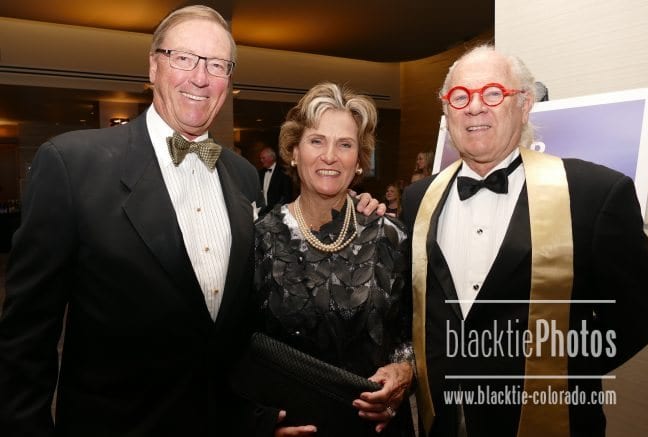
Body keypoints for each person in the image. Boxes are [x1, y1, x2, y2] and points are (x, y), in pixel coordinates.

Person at [0, 6, 382, 436]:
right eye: (183, 58)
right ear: (153, 66)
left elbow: (239, 328)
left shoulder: (241, 177)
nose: (200, 77)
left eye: (217, 65)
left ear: (228, 80)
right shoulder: (73, 165)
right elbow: (25, 339)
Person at [402, 44, 648, 437]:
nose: (475, 107)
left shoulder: (595, 193)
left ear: (525, 104)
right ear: (447, 112)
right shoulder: (418, 199)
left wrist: (563, 371)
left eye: (493, 93)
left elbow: (638, 313)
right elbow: (416, 309)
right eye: (460, 96)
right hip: (444, 422)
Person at [250, 82, 414, 436]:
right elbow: (239, 350)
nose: (330, 156)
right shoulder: (258, 239)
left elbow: (414, 332)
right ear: (293, 152)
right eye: (316, 141)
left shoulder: (392, 235)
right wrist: (261, 424)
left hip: (377, 426)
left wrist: (406, 371)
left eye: (345, 144)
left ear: (359, 161)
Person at [258, 146, 293, 215]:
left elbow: (287, 195)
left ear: (271, 158)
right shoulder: (260, 173)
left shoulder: (283, 172)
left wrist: (278, 210)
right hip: (263, 212)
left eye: (263, 158)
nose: (261, 160)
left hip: (278, 213)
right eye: (260, 158)